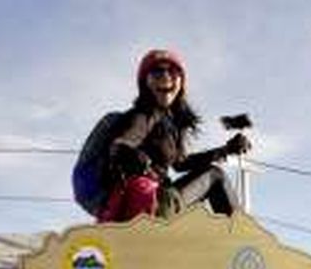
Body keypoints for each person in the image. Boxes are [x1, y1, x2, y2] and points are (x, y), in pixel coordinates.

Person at [96, 48, 251, 222]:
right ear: (145, 82)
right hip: (153, 203)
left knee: (211, 180)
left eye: (173, 71)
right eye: (157, 71)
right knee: (216, 176)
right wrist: (131, 155)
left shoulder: (172, 123)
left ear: (181, 81)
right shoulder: (145, 114)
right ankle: (242, 237)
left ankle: (232, 238)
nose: (165, 76)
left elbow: (180, 163)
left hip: (161, 201)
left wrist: (225, 150)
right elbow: (121, 145)